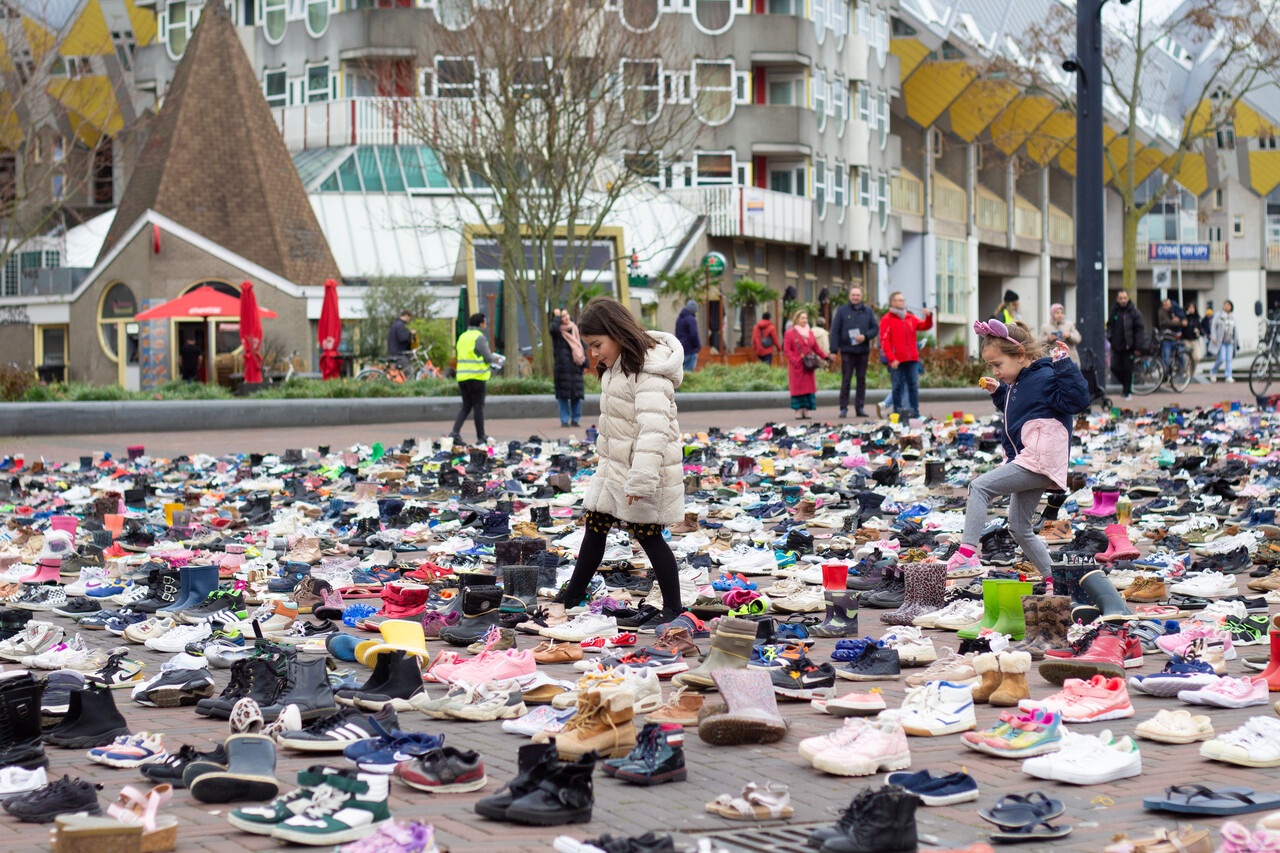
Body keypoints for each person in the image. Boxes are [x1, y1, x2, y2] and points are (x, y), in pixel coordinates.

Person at [551, 297, 686, 624]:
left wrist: (640, 480)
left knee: (648, 537)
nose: (594, 354)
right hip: (614, 469)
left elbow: (653, 431)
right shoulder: (619, 365)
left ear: (616, 332)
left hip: (642, 472)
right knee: (594, 525)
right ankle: (572, 598)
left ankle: (672, 611)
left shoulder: (647, 368)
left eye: (597, 345)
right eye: (590, 347)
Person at [947, 320, 1089, 578]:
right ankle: (1054, 580)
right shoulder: (1018, 382)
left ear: (1020, 355)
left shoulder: (1046, 376)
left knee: (979, 487)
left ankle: (966, 555)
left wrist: (1066, 366)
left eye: (998, 364)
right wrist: (999, 392)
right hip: (1031, 459)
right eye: (991, 365)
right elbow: (1024, 412)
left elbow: (1077, 401)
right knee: (1019, 528)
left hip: (1038, 459)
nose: (995, 370)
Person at [879, 292, 933, 420]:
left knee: (913, 387)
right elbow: (884, 341)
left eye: (903, 299)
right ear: (893, 303)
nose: (902, 302)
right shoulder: (887, 319)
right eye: (899, 300)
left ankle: (915, 413)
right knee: (897, 388)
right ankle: (897, 413)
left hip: (912, 359)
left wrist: (929, 316)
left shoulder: (910, 318)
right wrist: (891, 359)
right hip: (897, 360)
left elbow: (926, 326)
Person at [449, 312, 501, 445]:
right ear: (480, 324)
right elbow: (488, 358)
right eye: (484, 322)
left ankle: (455, 433)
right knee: (478, 407)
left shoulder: (462, 337)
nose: (485, 325)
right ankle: (481, 437)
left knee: (466, 406)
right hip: (476, 377)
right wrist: (496, 358)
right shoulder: (479, 337)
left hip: (462, 376)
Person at [831, 285, 879, 418]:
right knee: (846, 380)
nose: (855, 297)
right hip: (847, 350)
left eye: (858, 295)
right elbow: (835, 330)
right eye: (853, 295)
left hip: (862, 351)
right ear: (849, 296)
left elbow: (875, 329)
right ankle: (843, 408)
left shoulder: (868, 311)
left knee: (861, 380)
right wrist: (833, 350)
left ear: (861, 297)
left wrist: (865, 336)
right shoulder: (842, 311)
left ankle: (860, 408)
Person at [784, 308, 829, 420]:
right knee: (797, 388)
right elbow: (787, 350)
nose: (805, 320)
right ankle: (798, 410)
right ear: (796, 319)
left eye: (806, 318)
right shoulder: (790, 333)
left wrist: (825, 357)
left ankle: (806, 410)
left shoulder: (810, 333)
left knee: (808, 388)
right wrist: (794, 360)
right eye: (802, 318)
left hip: (808, 365)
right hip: (796, 366)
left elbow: (816, 348)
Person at [551, 308, 587, 427]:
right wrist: (556, 316)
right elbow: (553, 329)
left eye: (566, 315)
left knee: (576, 395)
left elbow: (582, 347)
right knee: (563, 396)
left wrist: (585, 363)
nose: (565, 318)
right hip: (562, 368)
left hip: (576, 367)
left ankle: (576, 419)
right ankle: (565, 420)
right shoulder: (558, 333)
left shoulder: (575, 329)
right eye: (562, 317)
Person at [1106, 290, 1144, 399]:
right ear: (1118, 299)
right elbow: (1109, 325)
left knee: (1127, 370)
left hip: (1129, 347)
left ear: (1128, 298)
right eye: (1121, 298)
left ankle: (1127, 392)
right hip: (1116, 346)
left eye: (1124, 298)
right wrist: (1110, 337)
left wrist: (1138, 346)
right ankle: (1126, 386)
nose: (1123, 300)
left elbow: (1139, 329)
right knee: (1114, 367)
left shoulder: (1134, 312)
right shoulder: (1114, 311)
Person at [1209, 299, 1239, 383]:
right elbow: (1213, 326)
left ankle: (1228, 376)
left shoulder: (1232, 317)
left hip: (1230, 341)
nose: (1226, 307)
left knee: (1229, 359)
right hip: (1221, 341)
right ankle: (1213, 371)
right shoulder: (1219, 315)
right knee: (1222, 358)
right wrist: (1213, 337)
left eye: (1228, 305)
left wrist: (1237, 341)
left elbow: (1235, 330)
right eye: (1225, 305)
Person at [1157, 297, 1187, 366]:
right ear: (1163, 306)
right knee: (1166, 358)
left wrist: (1179, 320)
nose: (1169, 306)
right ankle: (1167, 374)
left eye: (1169, 304)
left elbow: (1181, 318)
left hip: (1175, 338)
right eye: (1166, 305)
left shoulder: (1173, 311)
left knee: (1181, 354)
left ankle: (1181, 371)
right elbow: (1168, 322)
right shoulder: (1161, 312)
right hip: (1167, 339)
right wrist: (1180, 323)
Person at [674, 300, 700, 374]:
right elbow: (694, 334)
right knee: (689, 373)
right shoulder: (691, 319)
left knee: (681, 372)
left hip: (681, 348)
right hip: (691, 350)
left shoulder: (679, 319)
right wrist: (697, 347)